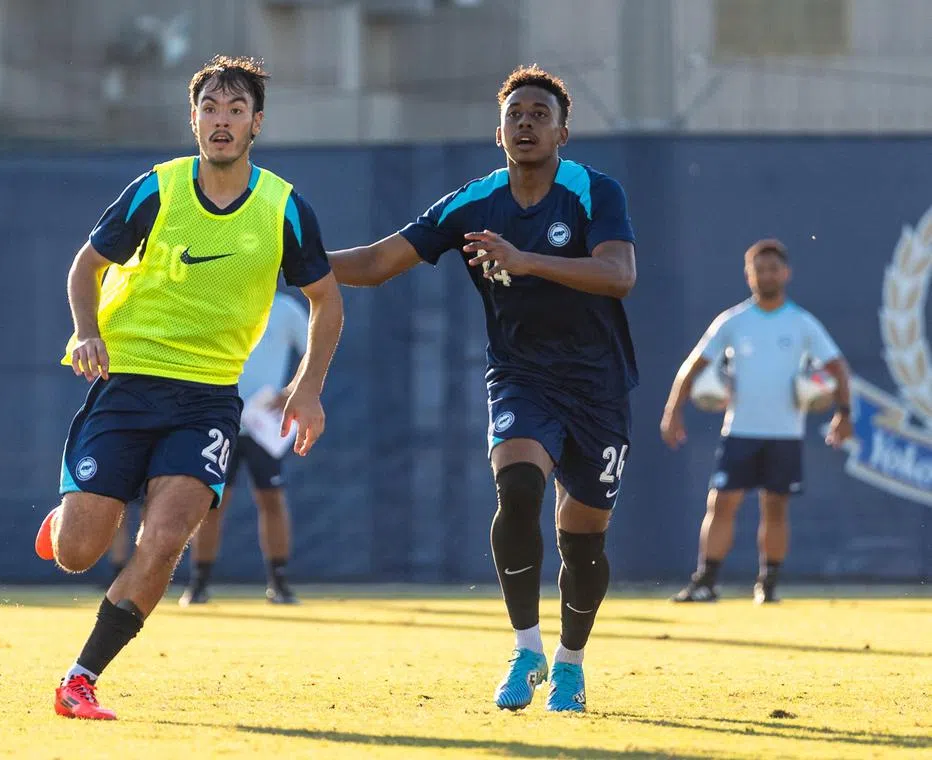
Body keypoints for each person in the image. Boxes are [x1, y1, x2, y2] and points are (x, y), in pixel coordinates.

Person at [33, 55, 343, 721]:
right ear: (193, 118)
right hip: (126, 385)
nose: (222, 121)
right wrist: (87, 332)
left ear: (256, 123)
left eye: (236, 110)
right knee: (77, 553)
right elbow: (85, 267)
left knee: (166, 537)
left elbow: (327, 300)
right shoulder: (158, 188)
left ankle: (81, 678)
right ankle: (63, 521)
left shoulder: (284, 207)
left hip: (206, 400)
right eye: (210, 108)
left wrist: (307, 387)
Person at [328, 65, 637, 713]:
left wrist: (526, 262)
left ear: (563, 132)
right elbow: (381, 262)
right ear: (497, 132)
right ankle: (526, 649)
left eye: (539, 114)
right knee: (519, 486)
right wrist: (290, 260)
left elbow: (618, 273)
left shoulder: (591, 191)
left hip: (599, 386)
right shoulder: (475, 201)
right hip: (522, 375)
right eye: (515, 114)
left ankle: (571, 664)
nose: (527, 122)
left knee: (582, 540)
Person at [661, 238, 852, 604]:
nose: (766, 275)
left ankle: (768, 585)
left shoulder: (802, 323)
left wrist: (843, 414)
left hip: (785, 433)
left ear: (786, 273)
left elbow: (838, 368)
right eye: (758, 269)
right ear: (748, 275)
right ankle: (706, 581)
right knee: (722, 503)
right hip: (740, 431)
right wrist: (674, 410)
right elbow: (693, 367)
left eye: (772, 268)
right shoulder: (733, 321)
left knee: (775, 507)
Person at [180, 289, 309, 606]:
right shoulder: (217, 302)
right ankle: (198, 584)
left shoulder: (286, 309)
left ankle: (278, 583)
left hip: (264, 425)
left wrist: (292, 390)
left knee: (272, 499)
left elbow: (315, 351)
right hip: (220, 420)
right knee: (213, 502)